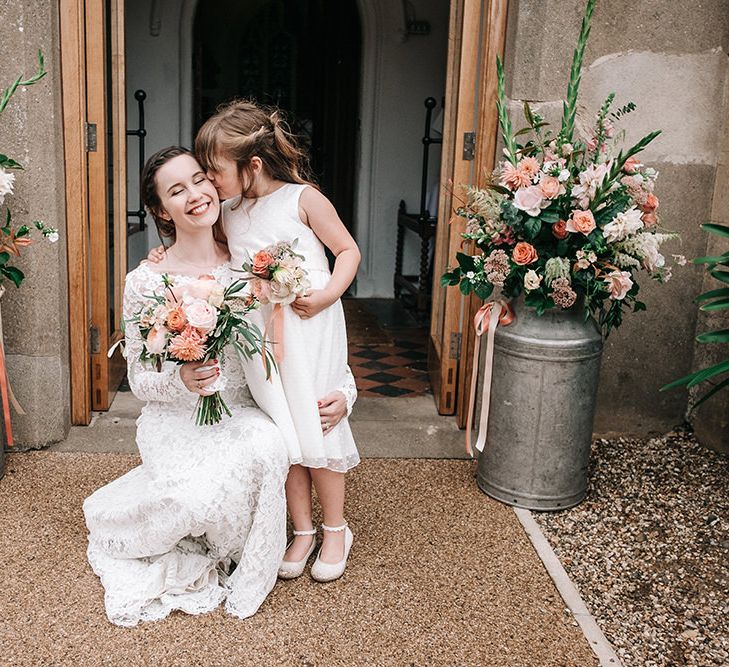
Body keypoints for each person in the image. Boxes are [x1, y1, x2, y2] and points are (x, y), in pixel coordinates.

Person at [83, 147, 292, 626]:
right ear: (161, 210)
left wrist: (342, 390)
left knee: (265, 445)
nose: (196, 195)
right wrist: (181, 379)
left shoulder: (249, 264)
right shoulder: (145, 282)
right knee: (190, 502)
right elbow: (138, 378)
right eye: (177, 190)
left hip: (241, 412)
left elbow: (296, 338)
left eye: (200, 180)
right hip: (174, 420)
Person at [196, 100, 361, 582]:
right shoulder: (227, 212)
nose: (209, 181)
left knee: (319, 418)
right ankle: (303, 530)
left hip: (312, 327)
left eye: (214, 170)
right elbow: (215, 258)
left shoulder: (302, 199)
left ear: (251, 165)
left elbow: (347, 250)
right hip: (263, 339)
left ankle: (335, 529)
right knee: (285, 428)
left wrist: (329, 293)